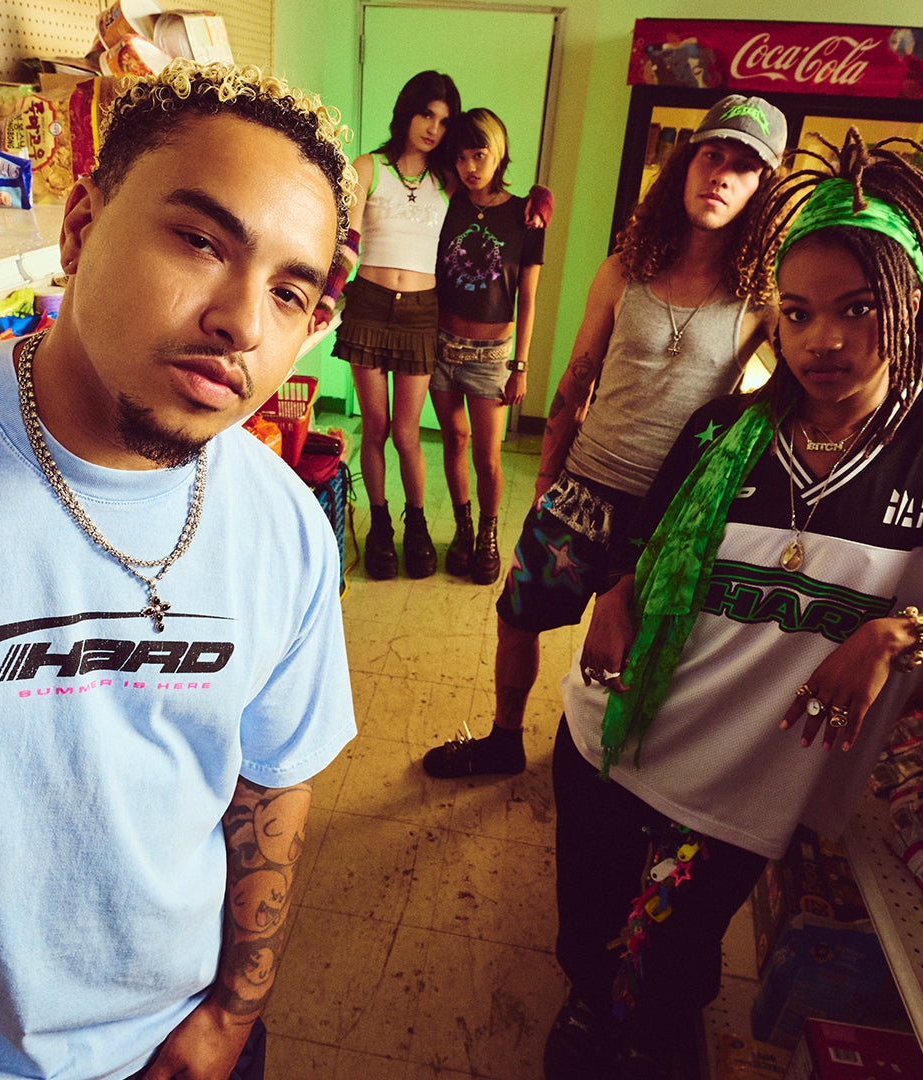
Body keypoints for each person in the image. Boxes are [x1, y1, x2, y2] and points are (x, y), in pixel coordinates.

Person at [0, 60, 357, 1080]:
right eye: (201, 241)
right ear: (81, 228)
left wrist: (233, 1013)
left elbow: (273, 782)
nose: (243, 322)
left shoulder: (285, 525)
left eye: (290, 292)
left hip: (180, 1045)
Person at [548, 128, 923, 1080]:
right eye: (798, 312)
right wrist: (614, 593)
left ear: (911, 304)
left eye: (858, 309)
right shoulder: (727, 428)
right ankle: (588, 1012)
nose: (825, 340)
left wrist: (899, 631)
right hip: (614, 732)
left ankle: (651, 1035)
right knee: (591, 926)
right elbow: (645, 544)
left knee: (676, 947)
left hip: (744, 778)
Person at [423, 93, 787, 778]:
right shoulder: (626, 268)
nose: (721, 176)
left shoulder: (763, 297)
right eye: (712, 155)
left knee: (637, 653)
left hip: (667, 513)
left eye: (743, 168)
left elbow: (796, 389)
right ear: (685, 163)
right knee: (516, 616)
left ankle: (607, 766)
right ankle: (504, 740)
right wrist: (547, 478)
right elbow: (576, 379)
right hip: (584, 487)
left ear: (762, 189)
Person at [321, 70, 460, 580]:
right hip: (370, 307)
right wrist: (327, 298)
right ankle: (380, 524)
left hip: (421, 312)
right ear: (407, 111)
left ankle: (415, 524)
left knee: (407, 433)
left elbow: (491, 194)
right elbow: (349, 240)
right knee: (376, 428)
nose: (434, 128)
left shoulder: (448, 180)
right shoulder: (369, 168)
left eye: (443, 121)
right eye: (426, 114)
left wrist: (533, 202)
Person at [431, 107, 548, 585]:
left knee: (487, 456)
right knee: (453, 441)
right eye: (460, 157)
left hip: (491, 358)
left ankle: (488, 534)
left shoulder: (526, 216)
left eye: (478, 154)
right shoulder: (446, 201)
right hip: (439, 347)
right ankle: (463, 530)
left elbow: (528, 298)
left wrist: (521, 365)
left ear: (498, 151)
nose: (470, 167)